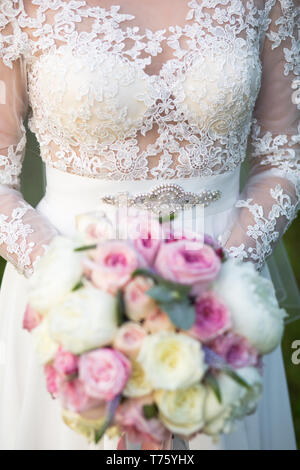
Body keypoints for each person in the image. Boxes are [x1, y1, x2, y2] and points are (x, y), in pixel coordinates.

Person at [0, 0, 299, 450]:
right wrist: (69, 284)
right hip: (68, 300)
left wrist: (224, 276)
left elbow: (283, 157)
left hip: (225, 294)